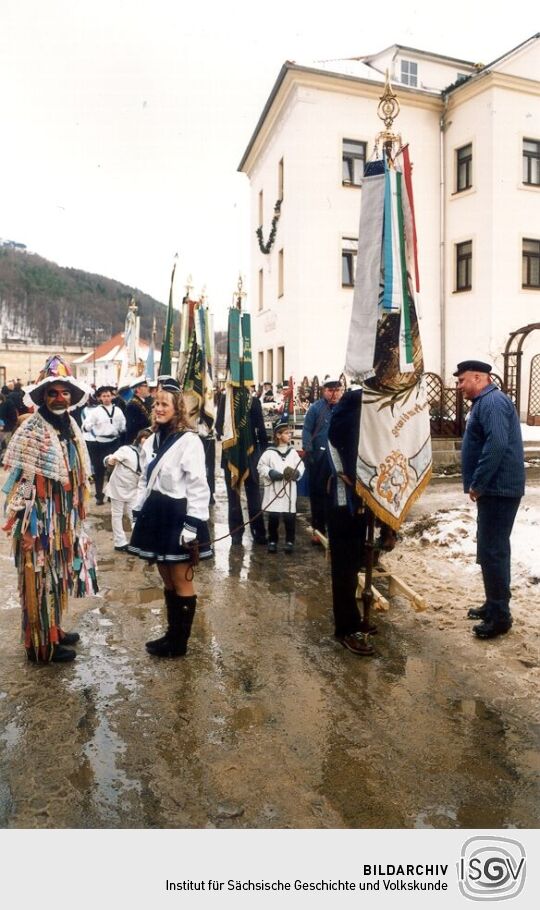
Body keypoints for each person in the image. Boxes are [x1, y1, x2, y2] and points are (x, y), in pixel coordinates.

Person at [1, 355, 97, 663]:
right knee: (38, 581)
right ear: (43, 396)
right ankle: (40, 646)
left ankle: (53, 628)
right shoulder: (33, 430)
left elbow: (78, 470)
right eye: (53, 392)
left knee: (56, 579)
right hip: (39, 524)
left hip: (61, 523)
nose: (59, 398)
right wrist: (24, 523)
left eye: (64, 392)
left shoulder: (69, 425)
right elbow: (25, 481)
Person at [128, 378, 213, 658]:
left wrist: (192, 525)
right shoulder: (151, 438)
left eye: (164, 404)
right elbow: (144, 478)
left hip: (179, 515)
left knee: (180, 578)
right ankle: (171, 635)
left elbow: (199, 486)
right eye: (156, 403)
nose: (158, 408)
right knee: (165, 576)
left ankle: (180, 643)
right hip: (156, 513)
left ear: (178, 408)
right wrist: (138, 508)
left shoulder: (190, 441)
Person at [455, 360, 525, 639]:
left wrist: (479, 483)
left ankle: (500, 617)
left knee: (493, 551)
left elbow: (496, 445)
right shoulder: (485, 402)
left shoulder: (493, 402)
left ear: (478, 377)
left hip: (498, 489)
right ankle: (493, 603)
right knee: (489, 549)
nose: (459, 386)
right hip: (495, 489)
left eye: (462, 381)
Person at [215, 388, 268, 545]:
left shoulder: (225, 400)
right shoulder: (255, 401)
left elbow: (218, 427)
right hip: (251, 454)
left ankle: (236, 535)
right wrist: (263, 452)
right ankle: (259, 534)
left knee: (234, 496)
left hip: (231, 455)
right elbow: (262, 432)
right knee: (253, 495)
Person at [301, 376, 343, 543]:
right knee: (318, 494)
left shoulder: (344, 408)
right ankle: (318, 530)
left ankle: (336, 530)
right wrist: (308, 451)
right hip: (319, 458)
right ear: (324, 391)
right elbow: (306, 430)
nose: (334, 393)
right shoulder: (315, 408)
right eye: (330, 390)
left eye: (337, 390)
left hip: (339, 459)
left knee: (337, 496)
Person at [257, 416, 305, 553]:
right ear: (278, 435)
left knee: (290, 517)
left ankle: (290, 541)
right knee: (273, 517)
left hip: (289, 491)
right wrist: (270, 472)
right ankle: (272, 540)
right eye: (286, 433)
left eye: (290, 433)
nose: (289, 435)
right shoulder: (269, 453)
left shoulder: (293, 453)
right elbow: (260, 467)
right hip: (274, 490)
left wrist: (297, 474)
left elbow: (301, 466)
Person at [103, 428, 151, 551]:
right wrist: (111, 460)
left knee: (134, 514)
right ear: (139, 439)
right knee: (117, 515)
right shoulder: (126, 450)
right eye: (143, 437)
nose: (145, 440)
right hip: (118, 487)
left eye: (148, 438)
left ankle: (138, 541)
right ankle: (120, 542)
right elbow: (112, 458)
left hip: (134, 489)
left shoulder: (150, 456)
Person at [82, 385, 126, 504]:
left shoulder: (118, 410)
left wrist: (121, 430)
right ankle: (99, 496)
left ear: (112, 396)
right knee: (99, 470)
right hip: (99, 443)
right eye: (103, 396)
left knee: (113, 470)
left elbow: (123, 425)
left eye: (108, 395)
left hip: (114, 442)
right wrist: (88, 427)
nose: (106, 398)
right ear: (99, 398)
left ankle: (111, 495)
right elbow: (86, 426)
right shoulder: (96, 411)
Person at [125, 376, 151, 444]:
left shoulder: (144, 401)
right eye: (145, 386)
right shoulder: (132, 405)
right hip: (137, 441)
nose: (148, 388)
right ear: (138, 389)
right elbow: (132, 428)